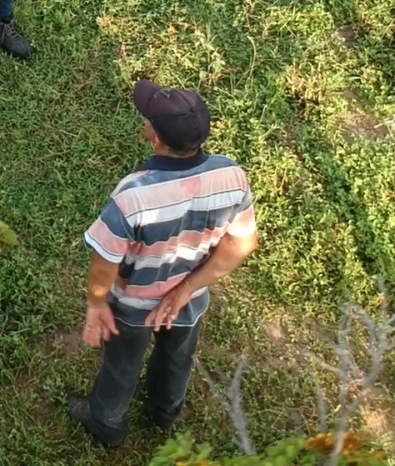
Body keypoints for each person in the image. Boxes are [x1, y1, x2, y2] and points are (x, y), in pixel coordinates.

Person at [68, 80, 258, 447]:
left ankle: (107, 421)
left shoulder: (134, 195)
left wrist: (96, 304)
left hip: (133, 304)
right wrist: (186, 289)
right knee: (177, 356)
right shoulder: (231, 176)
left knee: (121, 363)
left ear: (154, 137)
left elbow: (105, 262)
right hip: (190, 299)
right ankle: (164, 411)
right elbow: (243, 243)